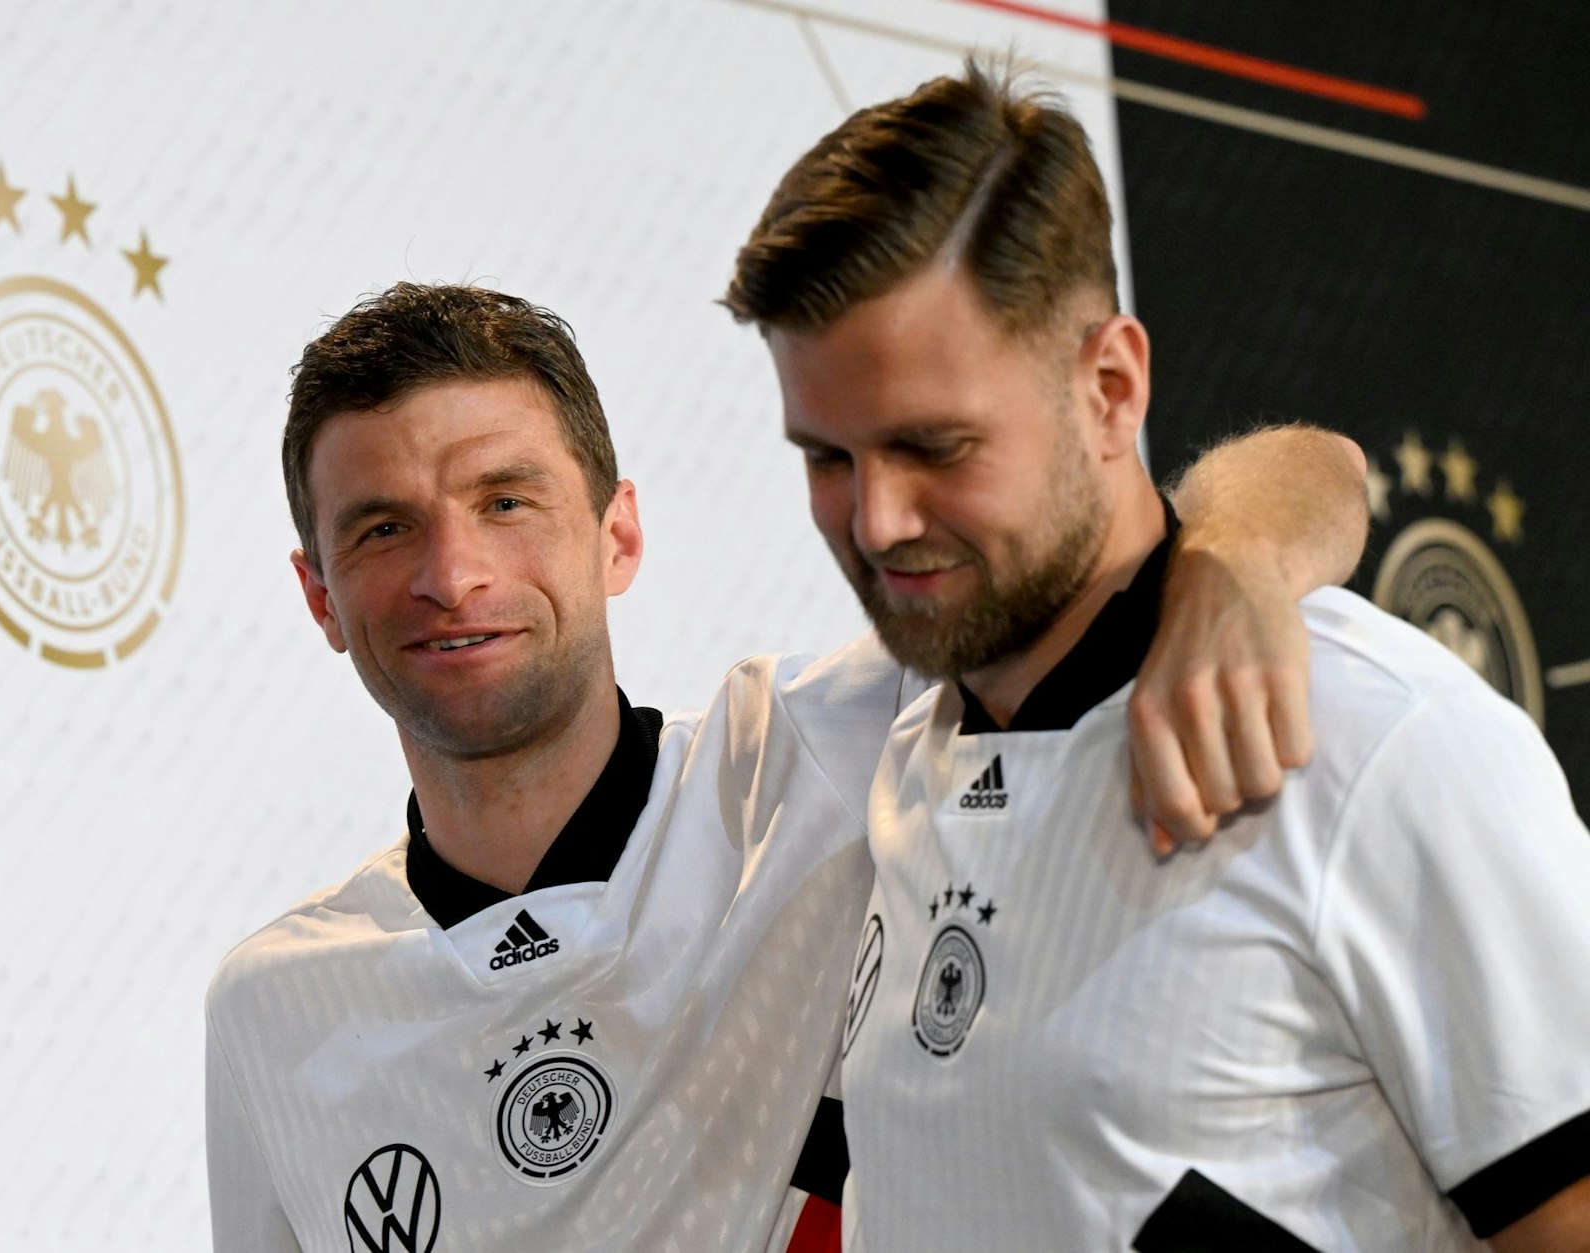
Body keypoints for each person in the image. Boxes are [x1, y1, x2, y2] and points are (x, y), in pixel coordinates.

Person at [205, 284, 1364, 1251]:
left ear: (618, 535)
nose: (451, 573)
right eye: (381, 528)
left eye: (505, 500)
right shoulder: (276, 1005)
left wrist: (1229, 572)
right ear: (319, 596)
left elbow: (1312, 469)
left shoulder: (831, 747)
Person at [725, 62, 1590, 1250]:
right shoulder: (887, 745)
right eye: (826, 456)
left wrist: (1236, 550)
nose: (875, 520)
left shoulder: (1378, 740)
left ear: (1110, 387)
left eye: (935, 445)